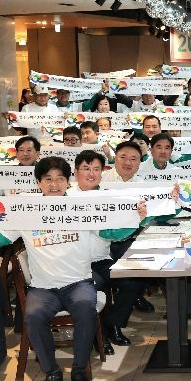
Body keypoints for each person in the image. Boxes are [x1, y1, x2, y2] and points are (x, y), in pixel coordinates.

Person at [0, 156, 149, 381]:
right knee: (33, 316)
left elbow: (111, 232)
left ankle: (79, 371)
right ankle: (52, 373)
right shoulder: (26, 210)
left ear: (68, 182)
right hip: (43, 288)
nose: (54, 184)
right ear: (38, 183)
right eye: (48, 179)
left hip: (78, 282)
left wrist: (137, 218)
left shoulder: (81, 206)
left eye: (60, 179)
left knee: (86, 309)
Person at [68, 150, 151, 354]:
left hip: (101, 260)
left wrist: (139, 218)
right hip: (74, 264)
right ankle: (100, 336)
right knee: (95, 286)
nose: (91, 174)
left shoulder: (108, 196)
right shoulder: (66, 197)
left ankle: (112, 324)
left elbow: (113, 233)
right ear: (75, 172)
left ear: (102, 172)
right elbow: (108, 232)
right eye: (86, 168)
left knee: (134, 281)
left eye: (96, 169)